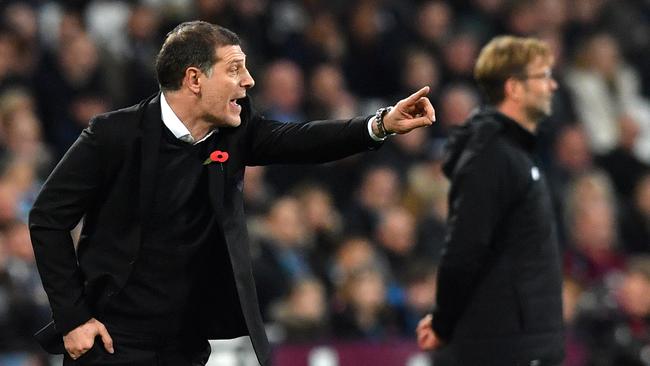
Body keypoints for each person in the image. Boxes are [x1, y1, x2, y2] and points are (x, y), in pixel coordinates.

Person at [28, 21, 434, 366]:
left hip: (185, 345)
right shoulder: (112, 136)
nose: (249, 80)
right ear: (194, 79)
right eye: (235, 69)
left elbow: (303, 139)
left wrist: (380, 124)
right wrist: (73, 317)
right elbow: (48, 217)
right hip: (112, 343)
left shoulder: (236, 132)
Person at [415, 35, 564, 365]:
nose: (552, 86)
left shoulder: (514, 153)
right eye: (542, 77)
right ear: (514, 88)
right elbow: (465, 248)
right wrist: (444, 321)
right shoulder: (493, 157)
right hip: (506, 344)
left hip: (522, 339)